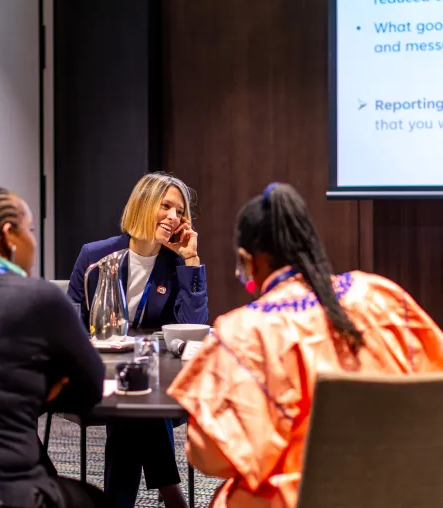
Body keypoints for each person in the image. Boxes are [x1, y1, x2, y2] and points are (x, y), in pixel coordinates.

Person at [168, 182, 443, 508]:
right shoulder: (383, 296)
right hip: (407, 491)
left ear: (247, 261)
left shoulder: (244, 330)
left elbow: (210, 457)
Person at [68, 172, 208, 508]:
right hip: (99, 377)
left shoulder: (175, 265)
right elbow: (73, 320)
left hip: (156, 389)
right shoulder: (94, 256)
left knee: (134, 408)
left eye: (179, 212)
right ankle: (172, 494)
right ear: (143, 205)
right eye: (166, 206)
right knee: (134, 407)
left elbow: (192, 328)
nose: (174, 217)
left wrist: (190, 260)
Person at [0, 185, 107, 508]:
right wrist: (42, 386)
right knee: (97, 501)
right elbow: (91, 388)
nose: (34, 241)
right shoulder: (38, 299)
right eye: (29, 230)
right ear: (8, 236)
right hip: (5, 491)